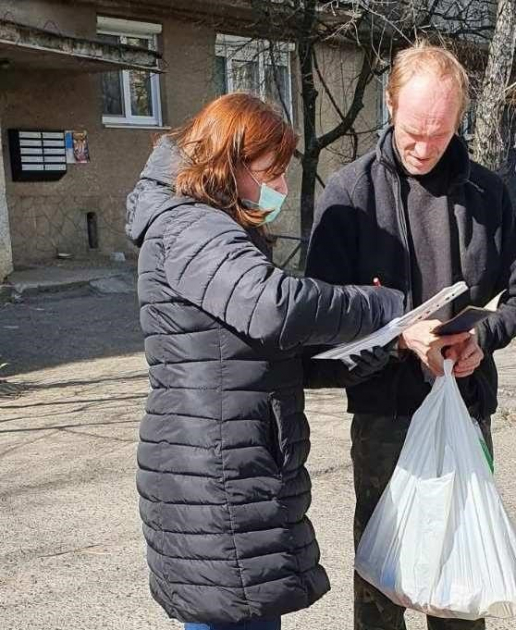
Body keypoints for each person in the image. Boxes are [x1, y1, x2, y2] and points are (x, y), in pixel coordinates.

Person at [125, 93, 404, 630]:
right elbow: (275, 307)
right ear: (228, 166)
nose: (279, 189)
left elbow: (275, 361)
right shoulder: (191, 227)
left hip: (233, 471)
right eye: (270, 174)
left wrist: (384, 341)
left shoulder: (216, 229)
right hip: (214, 479)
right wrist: (382, 304)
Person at [304, 42, 516, 630]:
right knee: (383, 581)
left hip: (465, 404)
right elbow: (319, 326)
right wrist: (398, 338)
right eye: (412, 131)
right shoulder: (349, 196)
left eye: (439, 132)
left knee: (459, 577)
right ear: (389, 106)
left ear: (458, 118)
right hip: (385, 416)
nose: (423, 147)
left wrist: (484, 338)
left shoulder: (488, 193)